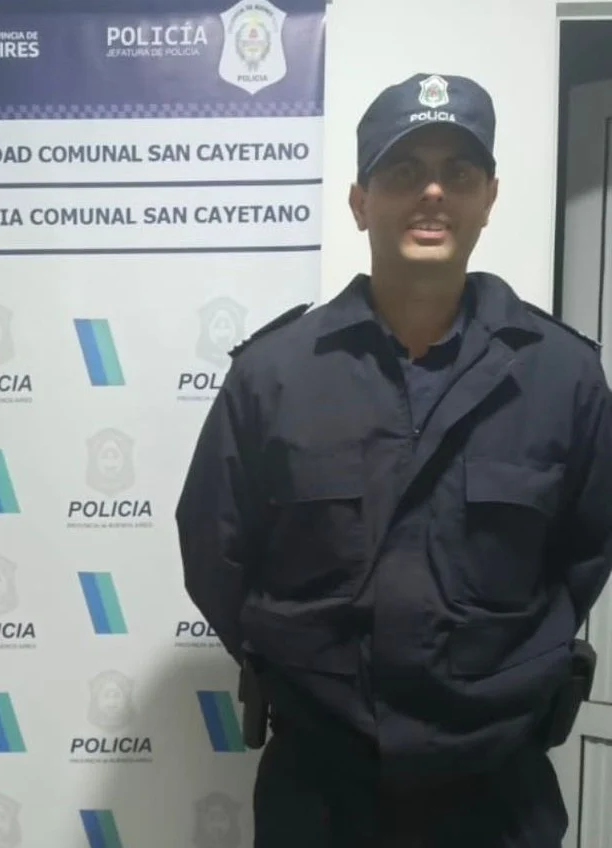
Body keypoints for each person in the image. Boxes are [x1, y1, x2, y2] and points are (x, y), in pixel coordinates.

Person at [176, 72, 612, 848]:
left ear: (489, 199)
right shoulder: (275, 375)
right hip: (321, 790)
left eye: (458, 174)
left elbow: (586, 553)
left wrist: (494, 672)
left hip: (497, 792)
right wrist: (316, 672)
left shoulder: (563, 375)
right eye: (404, 171)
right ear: (360, 202)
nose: (432, 192)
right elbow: (216, 553)